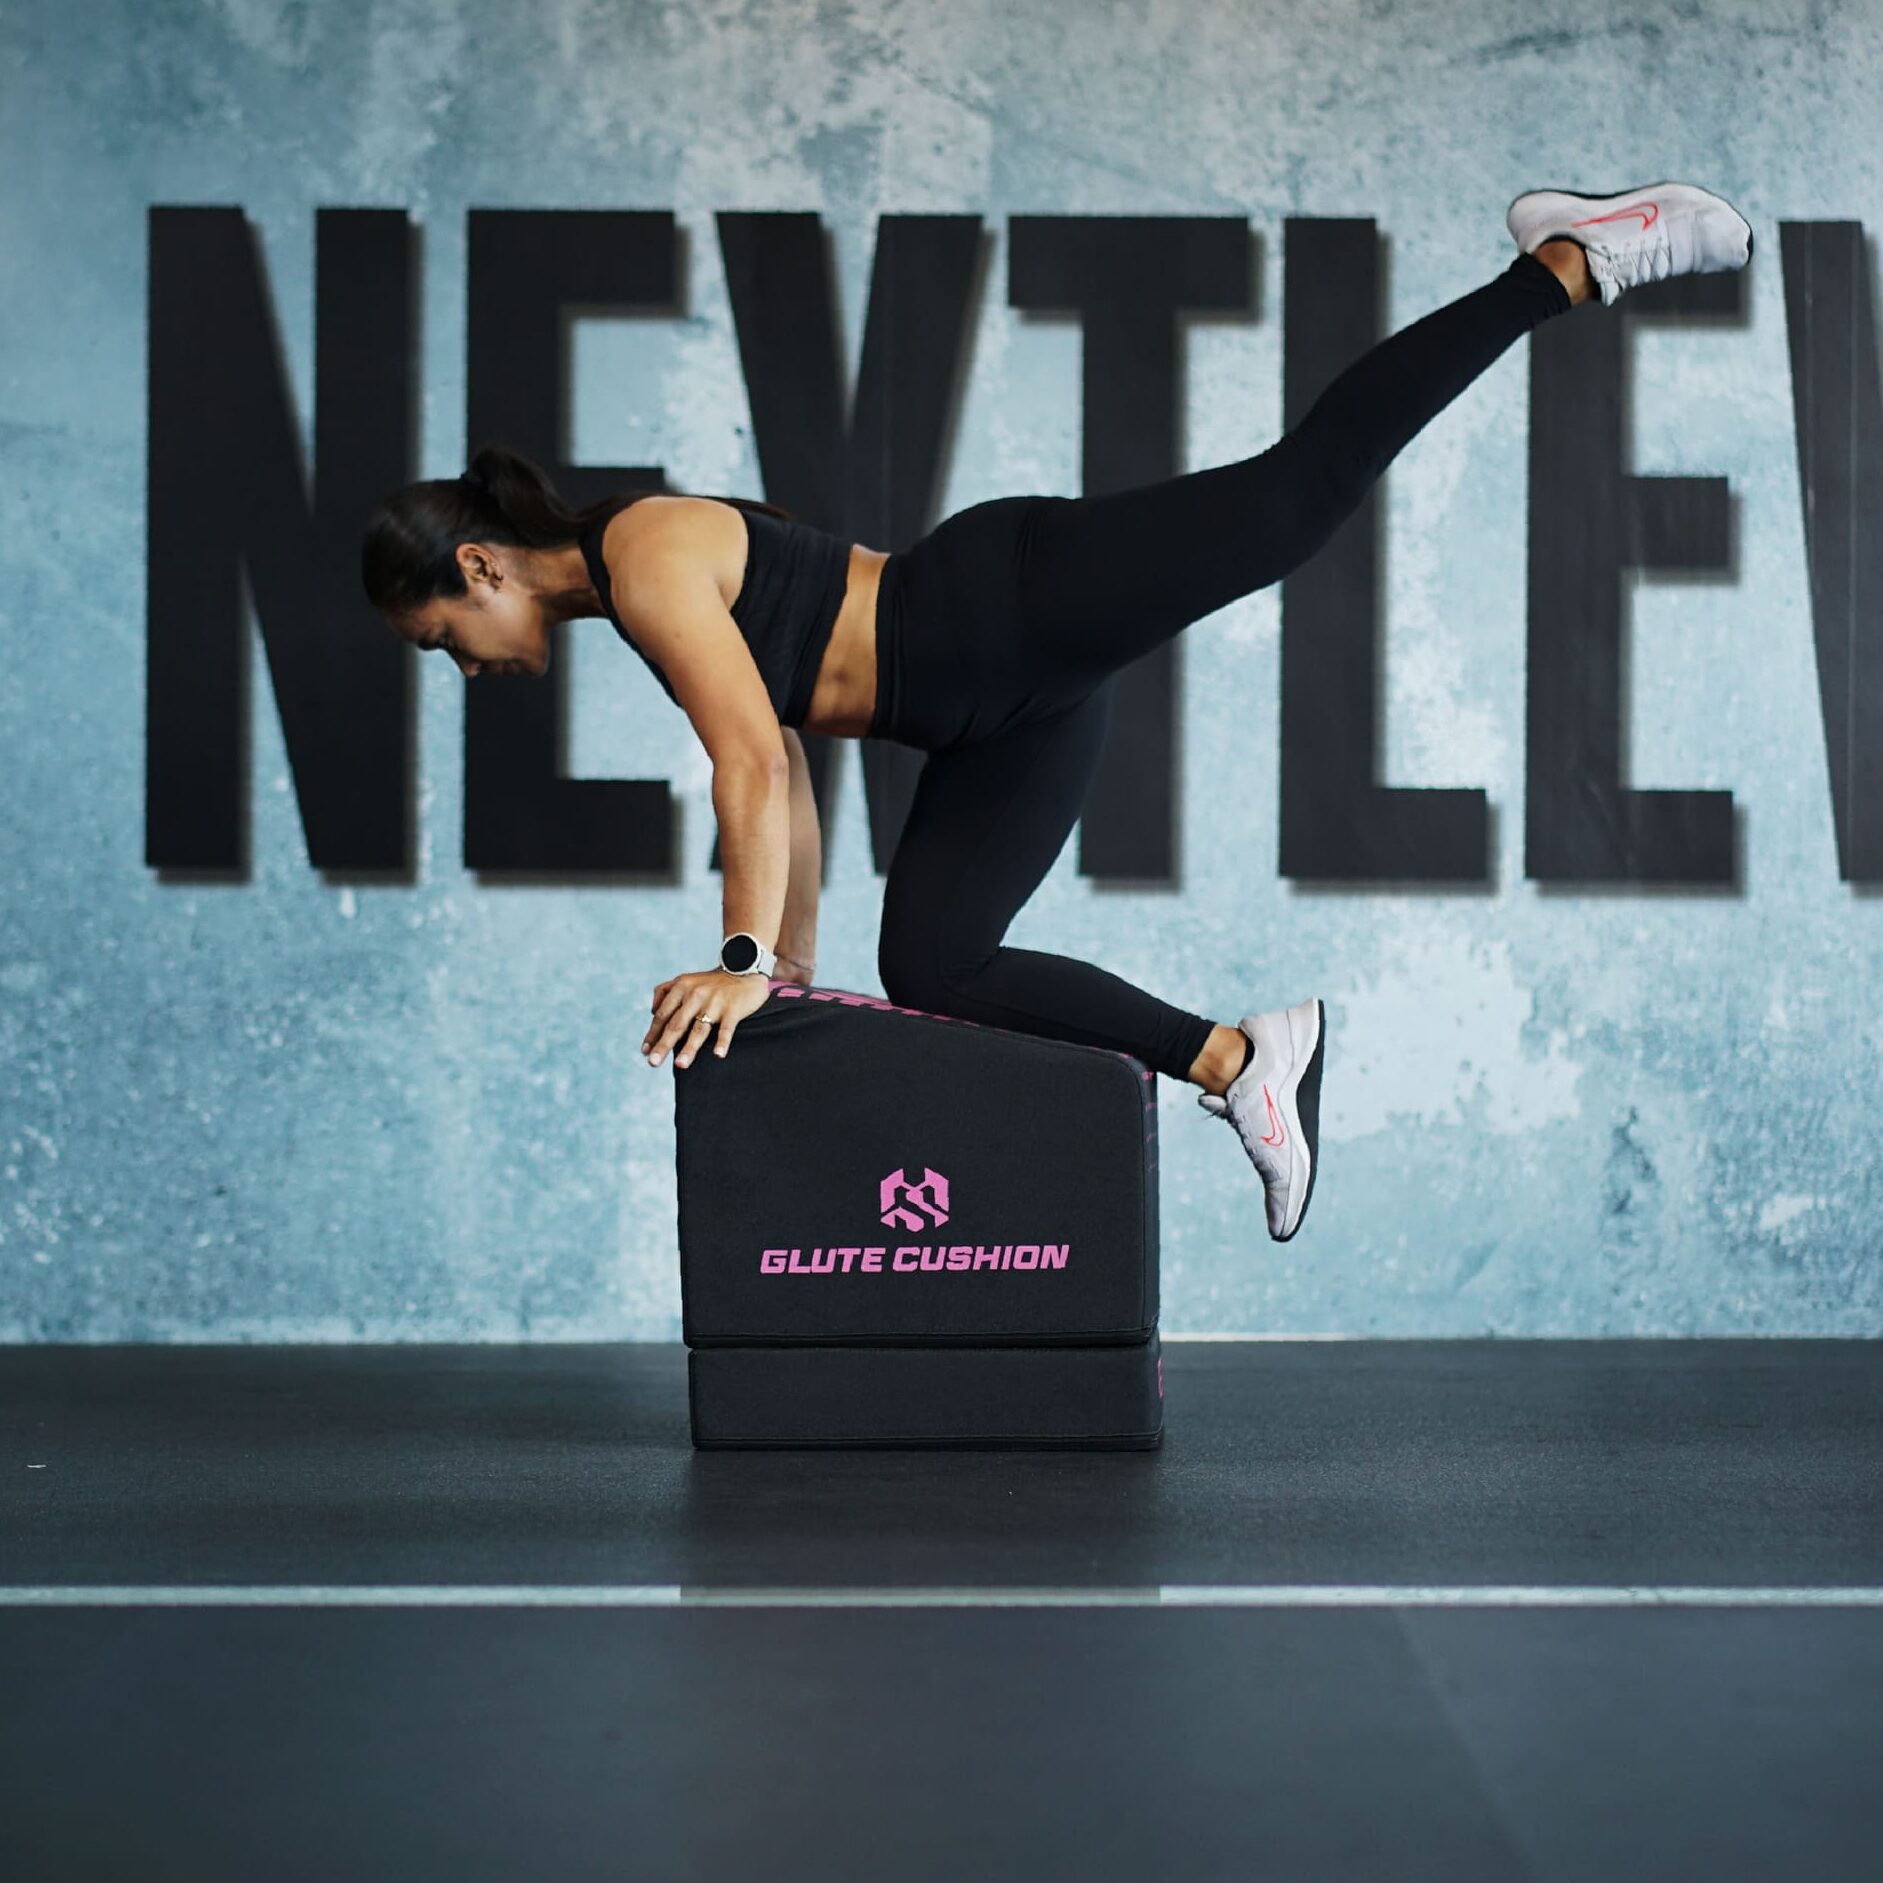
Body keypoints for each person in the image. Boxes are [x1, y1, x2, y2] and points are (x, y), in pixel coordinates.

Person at [361, 181, 1753, 1243]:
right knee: (936, 963)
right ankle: (1242, 1061)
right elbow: (781, 765)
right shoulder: (633, 591)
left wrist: (732, 956)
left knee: (1297, 495)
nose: (463, 667)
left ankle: (1570, 262)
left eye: (443, 641)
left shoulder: (645, 553)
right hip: (998, 720)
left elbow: (745, 766)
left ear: (480, 568)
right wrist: (782, 976)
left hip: (1008, 607)